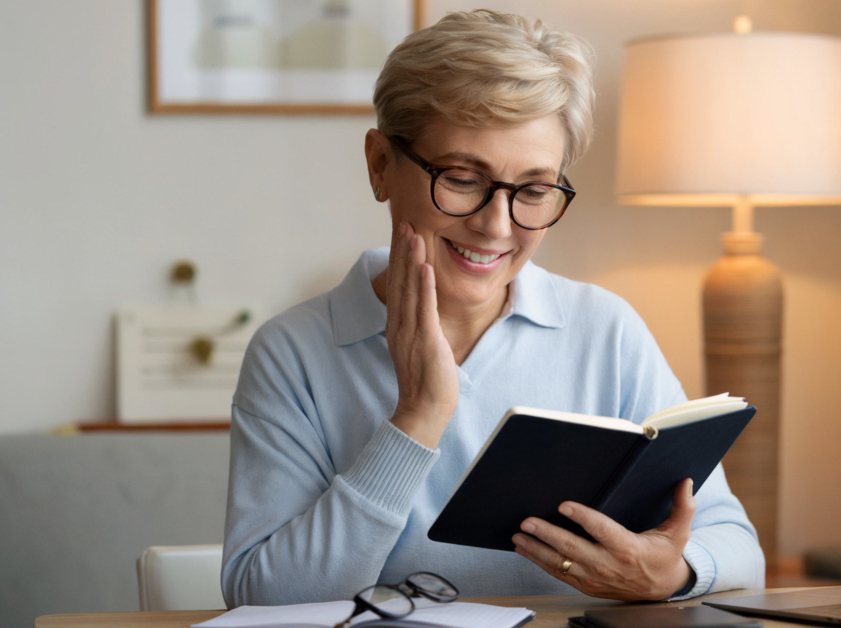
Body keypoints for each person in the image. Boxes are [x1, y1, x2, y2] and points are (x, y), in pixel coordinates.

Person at [220, 9, 765, 608]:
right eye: (460, 178)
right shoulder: (294, 352)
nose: (495, 227)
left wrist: (673, 573)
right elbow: (263, 599)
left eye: (533, 191)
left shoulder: (604, 330)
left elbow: (737, 546)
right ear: (380, 164)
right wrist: (418, 416)